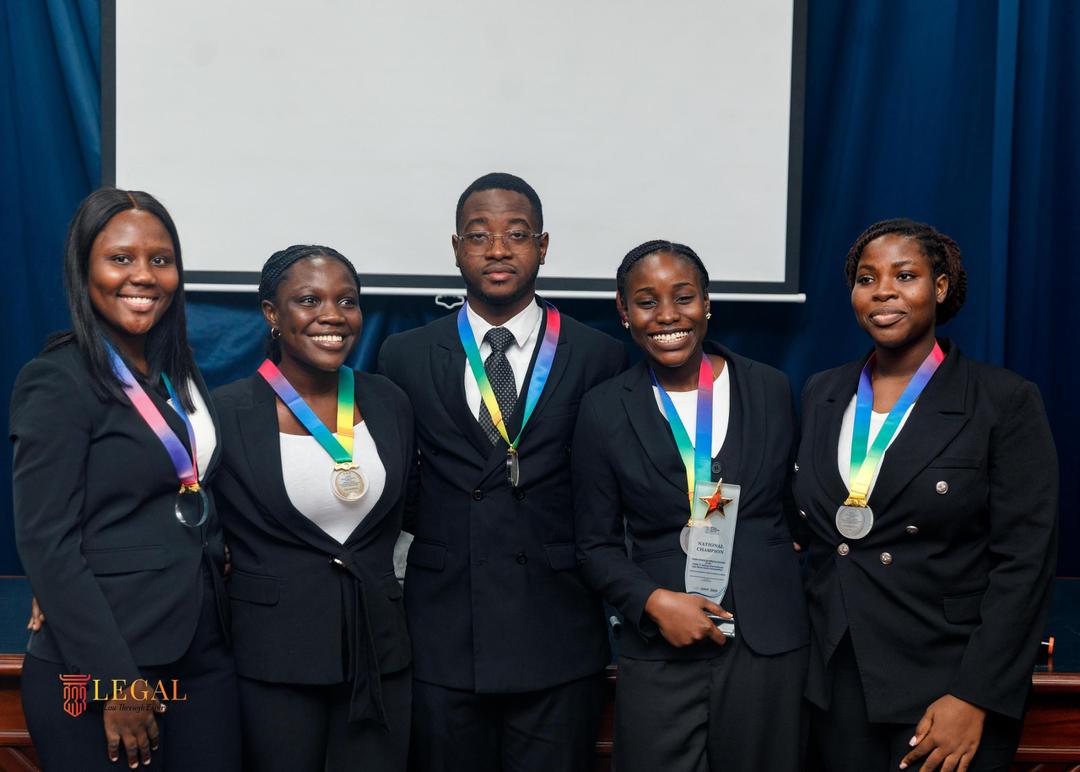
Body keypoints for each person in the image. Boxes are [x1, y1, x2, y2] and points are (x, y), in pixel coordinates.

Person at [377, 172, 625, 772]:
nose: (496, 249)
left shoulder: (599, 355)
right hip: (442, 634)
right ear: (457, 248)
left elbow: (605, 491)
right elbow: (400, 490)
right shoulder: (405, 356)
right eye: (478, 235)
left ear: (542, 246)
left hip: (556, 632)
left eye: (515, 234)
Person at [796, 219, 1058, 771]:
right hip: (836, 685)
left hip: (945, 684)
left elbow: (1025, 564)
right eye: (867, 279)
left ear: (939, 288)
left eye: (905, 275)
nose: (884, 291)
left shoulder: (1002, 401)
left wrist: (975, 696)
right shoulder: (823, 391)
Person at [10, 188, 240, 770]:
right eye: (120, 259)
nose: (144, 276)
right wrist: (116, 684)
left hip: (202, 651)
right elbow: (46, 541)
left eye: (160, 260)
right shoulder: (55, 381)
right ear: (84, 268)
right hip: (102, 670)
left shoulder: (179, 372)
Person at [571, 240, 809, 772]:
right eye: (646, 301)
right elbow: (594, 545)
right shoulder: (604, 408)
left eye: (683, 297)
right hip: (660, 649)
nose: (667, 316)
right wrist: (653, 602)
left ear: (707, 303)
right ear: (623, 312)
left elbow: (798, 506)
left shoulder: (769, 388)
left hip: (766, 644)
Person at [211, 245, 414, 771]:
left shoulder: (389, 400)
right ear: (272, 314)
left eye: (347, 300)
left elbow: (411, 511)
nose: (332, 315)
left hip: (379, 652)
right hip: (275, 656)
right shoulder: (226, 412)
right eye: (309, 299)